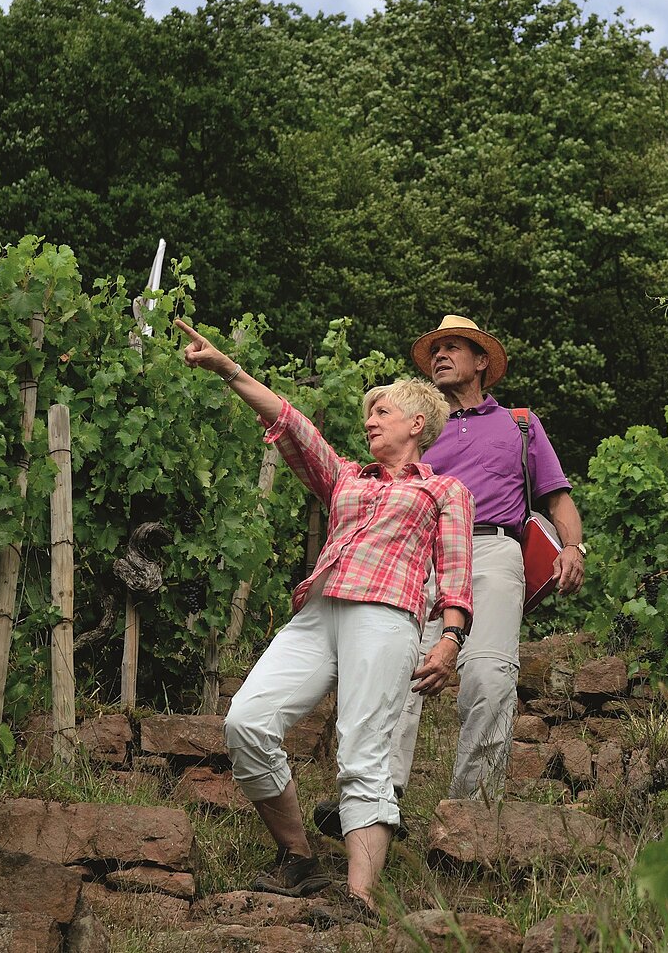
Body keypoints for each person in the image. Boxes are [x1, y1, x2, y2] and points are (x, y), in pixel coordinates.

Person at [174, 318, 473, 920]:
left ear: (417, 423)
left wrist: (450, 638)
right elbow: (289, 424)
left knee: (364, 753)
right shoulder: (345, 478)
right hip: (319, 610)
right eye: (368, 415)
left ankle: (361, 897)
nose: (369, 421)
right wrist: (228, 369)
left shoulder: (444, 491)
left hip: (387, 616)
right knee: (247, 721)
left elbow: (458, 569)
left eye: (381, 412)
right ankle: (299, 858)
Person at [316, 315, 585, 831]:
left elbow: (557, 498)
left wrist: (573, 547)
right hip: (422, 552)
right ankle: (378, 799)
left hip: (492, 551)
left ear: (482, 362)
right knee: (402, 669)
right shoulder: (418, 429)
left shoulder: (521, 424)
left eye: (454, 347)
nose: (440, 355)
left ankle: (471, 815)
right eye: (435, 349)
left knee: (488, 675)